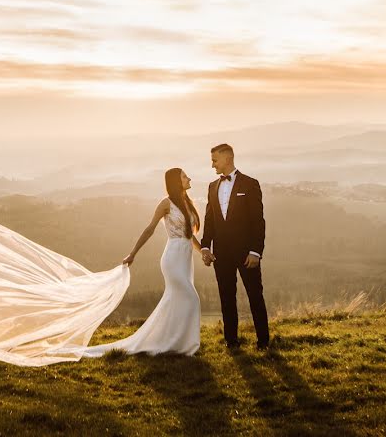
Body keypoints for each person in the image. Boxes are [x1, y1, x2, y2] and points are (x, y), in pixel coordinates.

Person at [83, 167, 203, 357]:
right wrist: (133, 253)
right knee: (191, 298)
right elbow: (150, 229)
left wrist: (202, 250)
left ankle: (177, 344)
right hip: (172, 258)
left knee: (177, 300)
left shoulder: (187, 202)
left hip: (185, 259)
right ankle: (186, 344)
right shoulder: (166, 203)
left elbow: (189, 235)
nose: (189, 178)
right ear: (175, 182)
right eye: (184, 176)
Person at [201, 143, 270, 350]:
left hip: (247, 253)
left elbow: (258, 221)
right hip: (221, 254)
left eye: (214, 160)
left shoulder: (250, 184)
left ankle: (264, 342)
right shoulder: (212, 186)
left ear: (227, 159)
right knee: (226, 297)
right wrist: (205, 247)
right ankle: (231, 342)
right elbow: (210, 219)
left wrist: (256, 251)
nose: (212, 164)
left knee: (255, 296)